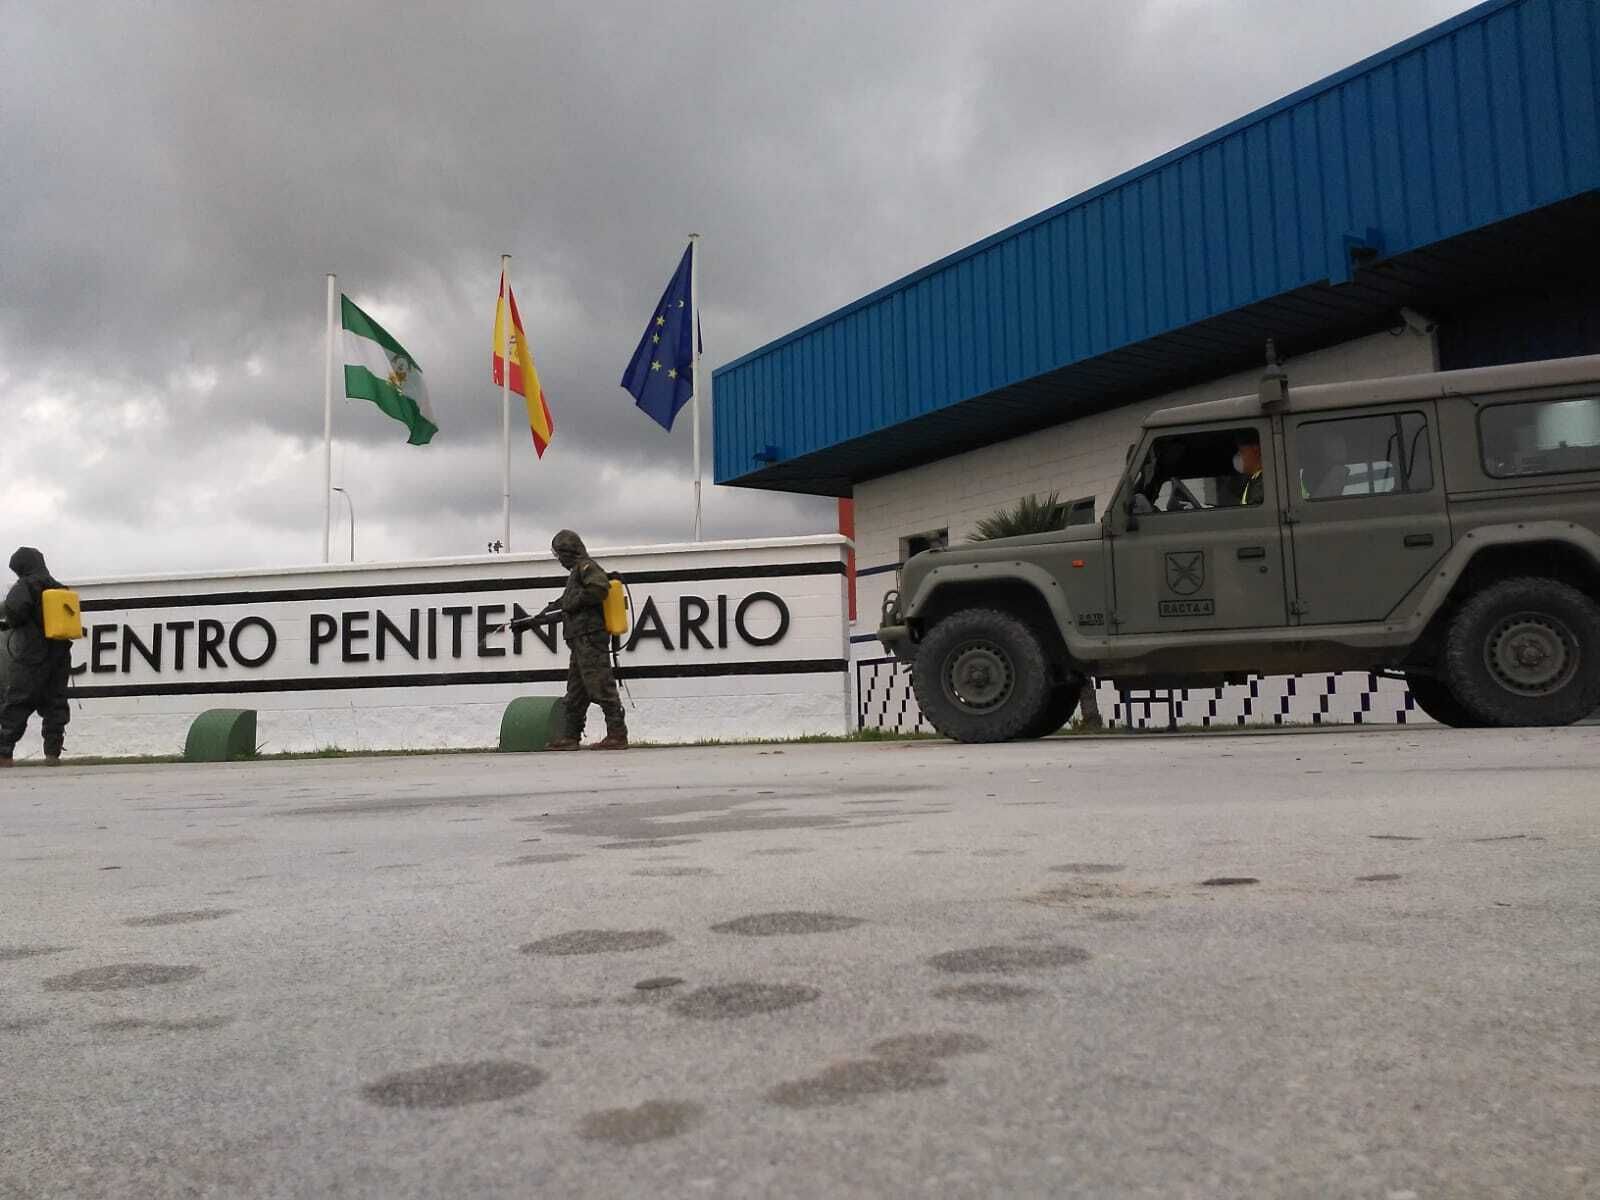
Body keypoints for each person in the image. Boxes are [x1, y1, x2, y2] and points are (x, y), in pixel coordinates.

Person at [512, 530, 627, 751]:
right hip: (579, 642)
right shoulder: (576, 574)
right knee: (576, 691)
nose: (559, 560)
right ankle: (570, 736)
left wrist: (573, 601)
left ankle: (617, 734)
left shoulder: (586, 567)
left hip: (590, 640)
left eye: (559, 555)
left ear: (568, 551)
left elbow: (599, 588)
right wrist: (533, 620)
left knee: (602, 686)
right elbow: (562, 604)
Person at [0, 548, 72, 766]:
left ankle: (4, 754)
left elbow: (14, 611)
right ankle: (52, 753)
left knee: (17, 703)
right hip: (59, 655)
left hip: (31, 655)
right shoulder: (59, 587)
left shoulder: (26, 585)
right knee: (55, 703)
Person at [1234, 439, 1266, 505]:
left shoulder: (1262, 482)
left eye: (1242, 452)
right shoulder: (1254, 478)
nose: (1239, 457)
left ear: (1256, 449)